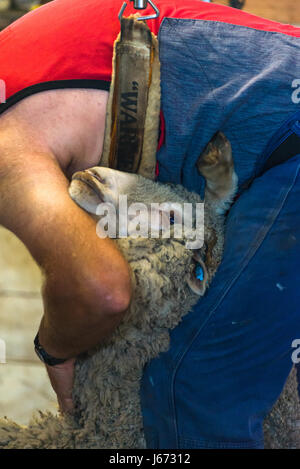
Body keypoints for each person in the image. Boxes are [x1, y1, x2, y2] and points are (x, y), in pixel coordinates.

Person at [0, 0, 299, 449]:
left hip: (287, 147)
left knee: (192, 387)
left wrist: (54, 350)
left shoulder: (8, 147)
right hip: (278, 122)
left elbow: (99, 288)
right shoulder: (26, 46)